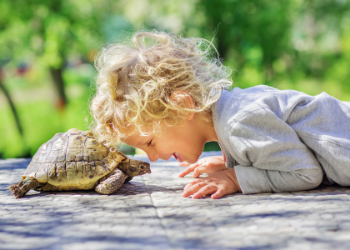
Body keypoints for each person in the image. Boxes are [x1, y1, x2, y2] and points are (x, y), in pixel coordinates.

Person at [90, 30, 350, 199]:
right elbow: (279, 149)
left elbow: (305, 172)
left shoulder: (239, 122)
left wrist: (235, 177)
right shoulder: (233, 111)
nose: (154, 157)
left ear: (182, 106)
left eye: (150, 143)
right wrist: (235, 161)